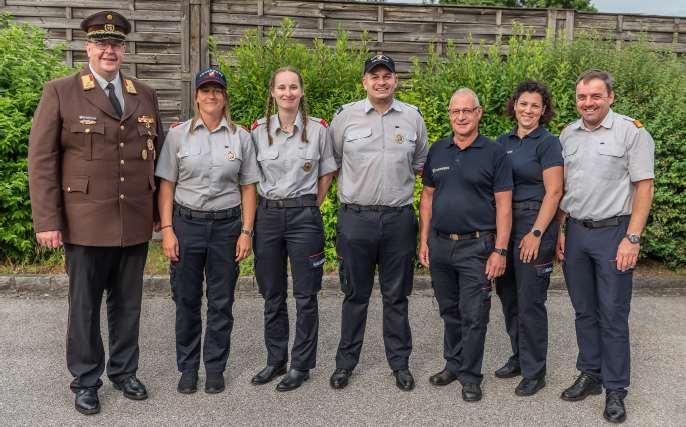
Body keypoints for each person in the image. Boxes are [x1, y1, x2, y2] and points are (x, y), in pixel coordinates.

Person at [27, 10, 164, 415]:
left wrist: (159, 212)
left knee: (128, 304)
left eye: (116, 44)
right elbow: (42, 161)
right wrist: (47, 221)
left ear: (124, 50)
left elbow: (156, 157)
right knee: (84, 307)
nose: (109, 50)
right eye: (102, 43)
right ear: (88, 47)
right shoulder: (61, 92)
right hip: (84, 222)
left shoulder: (144, 94)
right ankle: (86, 380)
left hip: (133, 219)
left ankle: (124, 371)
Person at [556, 69, 654, 424]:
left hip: (614, 234)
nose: (589, 103)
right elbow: (565, 188)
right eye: (582, 97)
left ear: (610, 97)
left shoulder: (631, 132)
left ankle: (615, 388)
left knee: (612, 314)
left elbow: (644, 186)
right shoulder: (568, 134)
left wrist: (633, 237)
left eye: (596, 96)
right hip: (576, 233)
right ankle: (590, 373)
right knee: (584, 310)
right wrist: (561, 228)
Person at [155, 67, 259, 395]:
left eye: (217, 90)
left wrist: (246, 231)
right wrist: (167, 230)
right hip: (186, 226)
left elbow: (248, 187)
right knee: (186, 300)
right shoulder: (178, 135)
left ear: (225, 96)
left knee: (221, 302)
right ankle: (188, 369)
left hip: (227, 227)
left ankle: (215, 368)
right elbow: (167, 186)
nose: (211, 95)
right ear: (196, 96)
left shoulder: (241, 137)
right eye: (205, 90)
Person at [328, 54, 428, 391]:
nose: (381, 81)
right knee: (354, 295)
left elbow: (421, 166)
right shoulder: (345, 117)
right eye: (375, 76)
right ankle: (345, 364)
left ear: (395, 81)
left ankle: (400, 364)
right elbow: (332, 164)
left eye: (387, 76)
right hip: (356, 219)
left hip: (399, 220)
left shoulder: (412, 117)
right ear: (364, 82)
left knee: (396, 297)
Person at [419, 88, 512, 402]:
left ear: (478, 113)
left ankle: (471, 376)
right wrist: (424, 240)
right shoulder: (438, 150)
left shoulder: (494, 152)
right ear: (450, 115)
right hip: (441, 245)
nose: (461, 117)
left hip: (477, 247)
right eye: (455, 111)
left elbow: (504, 205)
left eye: (467, 111)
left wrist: (500, 250)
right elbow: (427, 197)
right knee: (449, 310)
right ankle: (454, 364)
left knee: (474, 315)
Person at [249, 66, 337, 391]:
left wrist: (311, 204)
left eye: (293, 87)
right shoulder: (258, 131)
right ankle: (275, 360)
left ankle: (301, 364)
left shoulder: (319, 130)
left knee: (305, 295)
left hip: (304, 217)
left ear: (302, 91)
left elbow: (327, 172)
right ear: (272, 92)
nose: (288, 93)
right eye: (282, 87)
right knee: (272, 294)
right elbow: (249, 178)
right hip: (268, 216)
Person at [493, 80, 564, 396]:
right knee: (508, 295)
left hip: (534, 222)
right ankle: (519, 357)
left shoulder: (548, 143)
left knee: (531, 300)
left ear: (543, 110)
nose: (528, 110)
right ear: (515, 105)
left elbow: (555, 191)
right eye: (523, 103)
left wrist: (536, 232)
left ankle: (535, 371)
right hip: (505, 225)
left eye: (535, 105)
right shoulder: (501, 142)